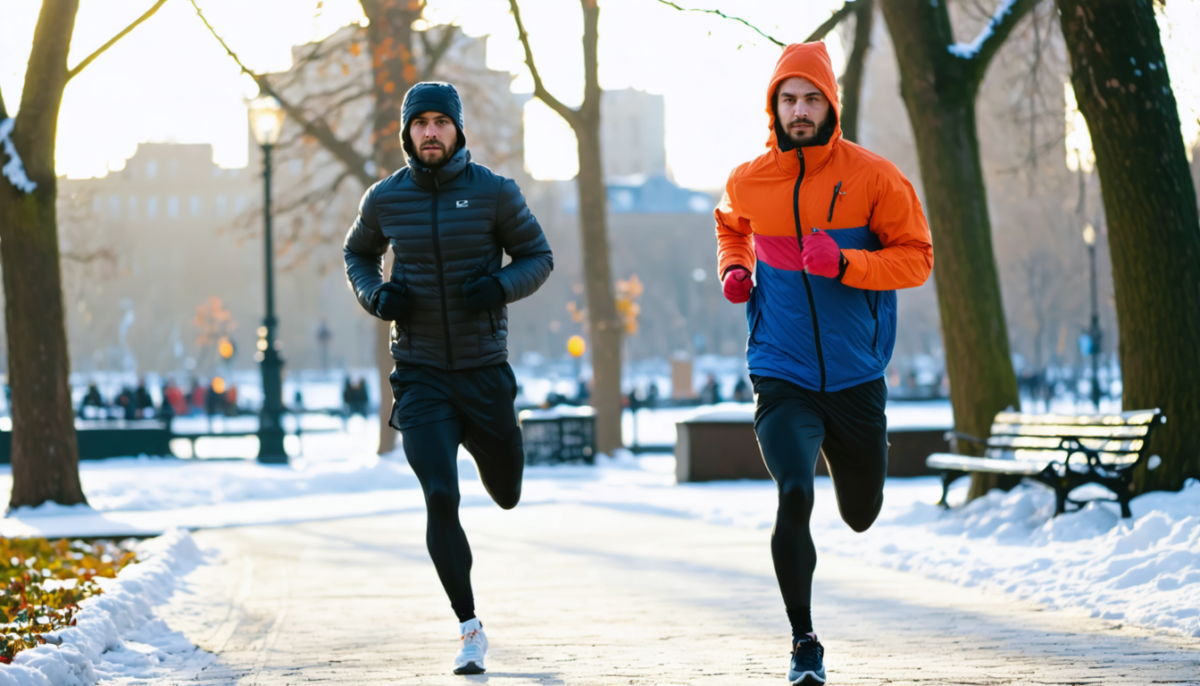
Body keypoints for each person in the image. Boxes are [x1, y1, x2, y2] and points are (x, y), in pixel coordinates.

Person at [715, 42, 933, 685]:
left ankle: (861, 468)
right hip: (780, 371)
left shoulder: (874, 177)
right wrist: (737, 266)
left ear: (829, 103)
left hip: (856, 375)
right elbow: (733, 225)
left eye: (811, 98)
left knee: (860, 512)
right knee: (794, 489)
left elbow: (917, 258)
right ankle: (803, 640)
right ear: (774, 107)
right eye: (789, 99)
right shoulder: (750, 178)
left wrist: (846, 263)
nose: (800, 110)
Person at [343, 81, 553, 676]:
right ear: (406, 132)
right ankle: (469, 628)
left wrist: (500, 286)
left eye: (441, 121)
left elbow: (539, 256)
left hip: (485, 372)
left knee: (506, 491)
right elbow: (356, 254)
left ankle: (502, 457)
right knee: (440, 493)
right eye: (420, 123)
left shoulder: (494, 192)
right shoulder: (385, 198)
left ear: (458, 129)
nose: (430, 131)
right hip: (420, 373)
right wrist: (375, 293)